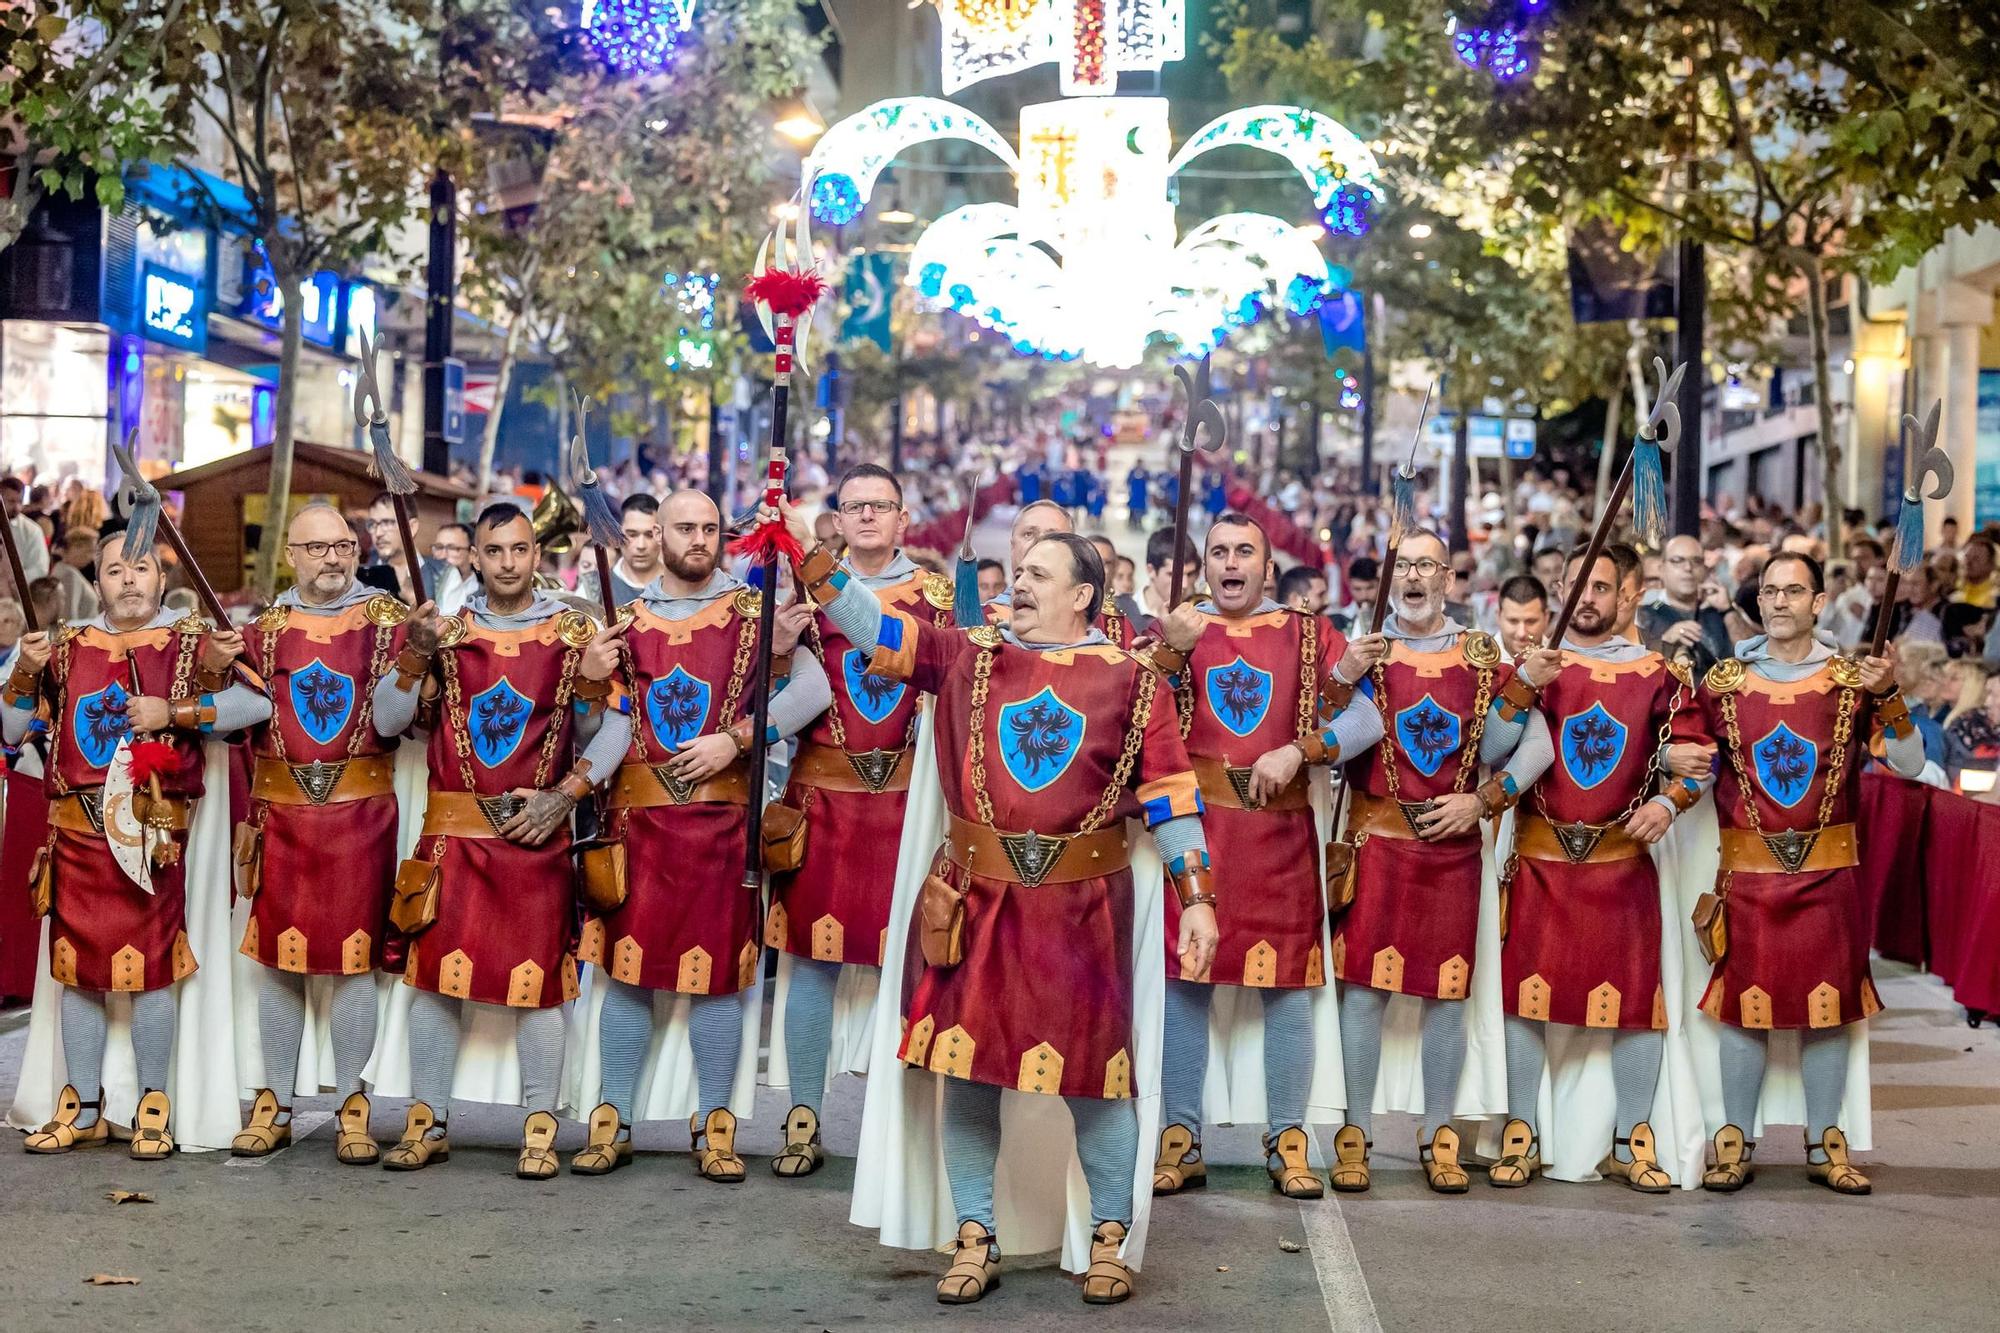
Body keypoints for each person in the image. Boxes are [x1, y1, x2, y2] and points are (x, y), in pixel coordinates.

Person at [796, 504, 1216, 1307]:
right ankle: (974, 1234)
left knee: (1095, 1081)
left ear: (1087, 596)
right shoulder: (968, 654)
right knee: (968, 1072)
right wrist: (813, 561)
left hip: (1082, 910)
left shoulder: (1134, 678)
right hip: (975, 902)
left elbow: (1170, 795)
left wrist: (1198, 897)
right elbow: (876, 628)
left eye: (1037, 576)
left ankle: (1110, 1241)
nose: (1016, 583)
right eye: (1017, 573)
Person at [369, 504, 628, 1178]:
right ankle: (427, 1119)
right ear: (475, 557)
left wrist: (563, 795)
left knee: (538, 982)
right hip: (452, 833)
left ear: (535, 553)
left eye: (519, 548)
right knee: (432, 980)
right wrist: (413, 654)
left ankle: (540, 1123)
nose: (509, 561)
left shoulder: (575, 632)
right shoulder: (444, 632)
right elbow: (388, 720)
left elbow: (617, 731)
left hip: (534, 832)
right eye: (495, 550)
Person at [574, 490, 825, 1179]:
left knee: (717, 978)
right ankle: (611, 1118)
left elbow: (812, 694)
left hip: (720, 825)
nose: (699, 538)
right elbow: (608, 729)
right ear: (658, 534)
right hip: (640, 824)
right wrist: (590, 686)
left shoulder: (756, 612)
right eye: (686, 527)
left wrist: (738, 738)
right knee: (626, 976)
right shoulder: (623, 620)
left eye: (710, 528)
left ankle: (715, 1125)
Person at [5, 529, 268, 1157]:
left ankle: (154, 1106)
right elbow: (10, 728)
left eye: (141, 567)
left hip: (152, 838)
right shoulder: (62, 647)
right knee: (77, 972)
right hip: (74, 827)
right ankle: (85, 1107)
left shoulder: (191, 641)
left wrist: (172, 715)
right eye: (116, 569)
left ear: (159, 577)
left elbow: (255, 707)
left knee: (151, 971)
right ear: (98, 581)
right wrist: (23, 669)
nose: (129, 579)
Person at [1149, 513, 1380, 1200]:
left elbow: (1364, 718)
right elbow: (1135, 713)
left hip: (1279, 835)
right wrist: (1167, 651)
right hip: (1199, 834)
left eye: (1243, 550)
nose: (1230, 561)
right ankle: (1180, 1137)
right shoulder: (1179, 628)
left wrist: (1300, 749)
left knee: (1286, 990)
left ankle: (1288, 1137)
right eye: (1217, 551)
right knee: (1188, 983)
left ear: (1267, 565)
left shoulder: (1309, 634)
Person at [1694, 552, 1924, 1195]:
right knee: (1744, 1007)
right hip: (1749, 876)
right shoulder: (1723, 682)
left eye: (1794, 590)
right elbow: (1683, 757)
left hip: (1829, 876)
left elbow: (1908, 762)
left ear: (1819, 603)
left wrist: (1889, 694)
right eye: (1769, 591)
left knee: (1831, 1008)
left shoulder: (1854, 679)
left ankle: (1828, 1144)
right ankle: (1733, 1141)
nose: (1779, 602)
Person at [1493, 544, 1708, 1191]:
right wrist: (1523, 681)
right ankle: (1520, 1132)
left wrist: (1670, 802)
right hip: (1539, 857)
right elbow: (1495, 748)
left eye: (1601, 586)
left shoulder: (1660, 673)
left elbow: (1700, 759)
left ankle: (1631, 1138)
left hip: (1622, 862)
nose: (1585, 597)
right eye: (1576, 584)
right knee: (1522, 999)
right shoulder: (1533, 667)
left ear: (1630, 593)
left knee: (1639, 1001)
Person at [765, 467, 953, 1177]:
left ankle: (897, 1129)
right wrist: (780, 651)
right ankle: (802, 1117)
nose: (868, 515)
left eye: (881, 505)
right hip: (825, 801)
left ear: (904, 518)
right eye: (854, 506)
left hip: (910, 805)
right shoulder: (798, 596)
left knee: (911, 963)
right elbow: (770, 699)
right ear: (837, 521)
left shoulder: (937, 599)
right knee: (812, 963)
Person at [1329, 529, 1528, 1193]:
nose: (1413, 576)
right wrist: (1340, 678)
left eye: (1426, 565)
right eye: (1403, 564)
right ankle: (1353, 1132)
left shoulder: (1479, 653)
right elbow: (1335, 730)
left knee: (1447, 991)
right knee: (1363, 990)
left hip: (1451, 850)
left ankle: (1439, 1132)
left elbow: (1532, 743)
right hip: (1377, 842)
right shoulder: (1364, 651)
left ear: (1448, 577)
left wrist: (1487, 797)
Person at [231, 504, 409, 1163]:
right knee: (281, 956)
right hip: (280, 814)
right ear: (292, 556)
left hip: (361, 812)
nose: (333, 557)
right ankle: (273, 1100)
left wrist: (419, 654)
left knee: (354, 958)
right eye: (318, 547)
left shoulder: (386, 621)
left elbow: (397, 719)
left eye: (343, 545)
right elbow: (239, 713)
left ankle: (352, 1105)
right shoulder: (263, 629)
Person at [1638, 535, 1734, 678]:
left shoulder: (1718, 609)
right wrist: (1666, 641)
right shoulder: (1643, 612)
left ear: (1704, 569)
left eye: (1696, 561)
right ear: (1661, 569)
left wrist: (1728, 610)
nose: (1688, 568)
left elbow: (1751, 657)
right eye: (1678, 561)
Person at [360, 493, 445, 606]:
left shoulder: (444, 574)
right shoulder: (361, 578)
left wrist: (412, 599)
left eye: (387, 523)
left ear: (412, 527)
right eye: (372, 524)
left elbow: (449, 622)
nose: (378, 533)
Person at [605, 494, 663, 609]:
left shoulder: (679, 585)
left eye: (649, 535)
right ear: (618, 534)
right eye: (632, 535)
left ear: (660, 535)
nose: (641, 545)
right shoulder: (594, 587)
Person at [0, 478, 50, 600]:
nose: (17, 507)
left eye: (20, 501)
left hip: (16, 598)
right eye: (11, 501)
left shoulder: (31, 531)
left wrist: (12, 580)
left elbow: (40, 568)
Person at [1497, 573, 1551, 661]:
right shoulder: (1474, 666)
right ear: (1498, 616)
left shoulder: (1564, 663)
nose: (1521, 633)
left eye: (1531, 621)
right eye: (1513, 621)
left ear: (1546, 617)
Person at [49, 529, 99, 623]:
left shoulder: (65, 570)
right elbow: (68, 616)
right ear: (76, 547)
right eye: (89, 551)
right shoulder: (68, 575)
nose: (92, 557)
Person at [428, 523, 478, 615]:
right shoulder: (424, 589)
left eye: (452, 548)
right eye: (439, 547)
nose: (443, 555)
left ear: (472, 555)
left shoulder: (486, 597)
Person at [1335, 556, 1379, 632]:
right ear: (1349, 586)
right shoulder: (1342, 619)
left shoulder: (1395, 615)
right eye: (1357, 589)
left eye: (1370, 588)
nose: (1364, 595)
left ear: (1380, 584)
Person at [1958, 535, 1997, 610]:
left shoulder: (1994, 601)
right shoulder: (1954, 596)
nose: (1968, 562)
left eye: (1976, 558)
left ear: (1991, 565)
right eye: (1967, 557)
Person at [1126, 464, 1151, 530]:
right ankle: (1134, 523)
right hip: (1135, 497)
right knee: (1133, 511)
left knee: (1140, 511)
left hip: (1140, 498)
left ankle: (1139, 523)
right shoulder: (1132, 478)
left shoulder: (1144, 478)